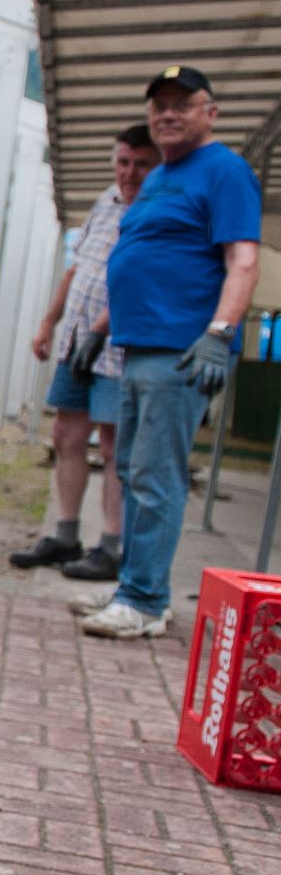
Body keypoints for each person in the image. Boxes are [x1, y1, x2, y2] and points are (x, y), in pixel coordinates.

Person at [72, 66, 261, 640]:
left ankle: (147, 601)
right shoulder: (160, 177)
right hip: (137, 346)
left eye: (183, 104)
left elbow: (243, 260)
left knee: (156, 475)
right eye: (160, 106)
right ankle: (136, 583)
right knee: (131, 469)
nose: (168, 114)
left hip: (180, 350)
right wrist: (102, 328)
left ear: (211, 112)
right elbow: (141, 256)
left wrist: (220, 332)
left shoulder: (225, 171)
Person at [10, 124, 159, 582]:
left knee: (114, 446)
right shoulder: (106, 201)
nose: (129, 173)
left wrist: (99, 329)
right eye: (123, 162)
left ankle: (110, 545)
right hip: (79, 341)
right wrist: (49, 322)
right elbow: (79, 269)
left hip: (118, 345)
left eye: (140, 164)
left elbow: (140, 278)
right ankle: (65, 534)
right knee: (67, 437)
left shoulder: (158, 209)